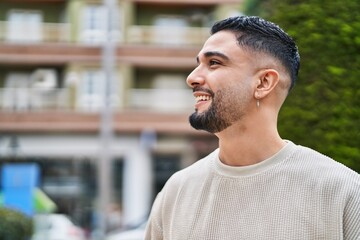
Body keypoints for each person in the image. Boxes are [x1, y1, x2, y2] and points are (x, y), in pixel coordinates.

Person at [145, 16, 360, 239]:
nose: (192, 77)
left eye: (214, 63)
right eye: (198, 63)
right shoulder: (176, 191)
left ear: (264, 83)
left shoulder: (343, 193)